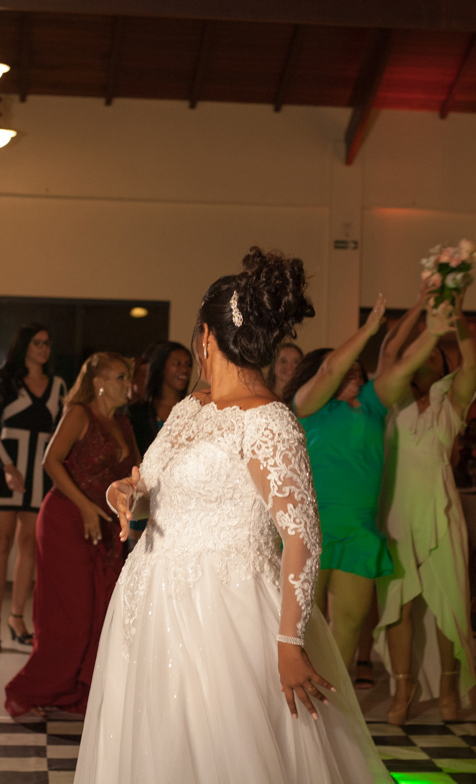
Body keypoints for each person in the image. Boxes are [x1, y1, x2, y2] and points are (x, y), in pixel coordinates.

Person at [78, 249, 389, 784]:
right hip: (150, 601)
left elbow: (303, 540)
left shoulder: (271, 422)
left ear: (205, 336)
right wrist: (123, 493)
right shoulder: (189, 409)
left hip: (226, 611)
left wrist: (290, 644)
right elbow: (153, 492)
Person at [286, 289, 448, 672]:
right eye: (347, 365)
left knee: (347, 630)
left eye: (357, 366)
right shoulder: (309, 408)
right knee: (300, 630)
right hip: (310, 530)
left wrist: (434, 331)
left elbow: (404, 365)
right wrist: (368, 329)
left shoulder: (374, 405)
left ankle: (333, 716)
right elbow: (328, 371)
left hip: (358, 532)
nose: (354, 369)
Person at [4, 352, 138, 717]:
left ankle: (85, 691)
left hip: (107, 526)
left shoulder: (124, 424)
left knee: (102, 611)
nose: (128, 385)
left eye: (128, 378)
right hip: (67, 519)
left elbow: (136, 475)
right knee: (72, 617)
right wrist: (84, 507)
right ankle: (32, 689)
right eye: (120, 377)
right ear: (98, 383)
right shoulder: (80, 413)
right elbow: (50, 462)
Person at [374, 289, 476, 725]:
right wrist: (419, 304)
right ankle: (403, 687)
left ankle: (449, 686)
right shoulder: (390, 400)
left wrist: (457, 318)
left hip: (441, 510)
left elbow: (474, 365)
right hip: (396, 510)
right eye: (426, 351)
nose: (431, 357)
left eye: (439, 353)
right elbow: (387, 351)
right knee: (397, 602)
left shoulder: (449, 403)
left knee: (448, 601)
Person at [0, 325, 67, 653]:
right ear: (24, 347)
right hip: (7, 470)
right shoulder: (4, 378)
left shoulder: (58, 385)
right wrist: (7, 467)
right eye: (38, 343)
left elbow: (61, 430)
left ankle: (17, 617)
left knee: (28, 545)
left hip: (40, 474)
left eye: (48, 343)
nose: (44, 348)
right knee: (1, 544)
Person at [126, 341, 193, 456]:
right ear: (161, 367)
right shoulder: (137, 413)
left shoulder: (194, 410)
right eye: (177, 364)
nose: (184, 370)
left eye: (188, 365)